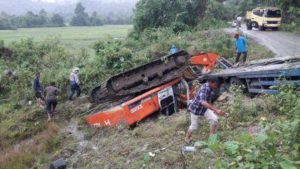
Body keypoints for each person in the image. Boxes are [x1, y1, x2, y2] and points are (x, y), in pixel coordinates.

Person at [184, 77, 225, 143]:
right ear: (210, 82)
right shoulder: (205, 88)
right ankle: (187, 137)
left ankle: (211, 139)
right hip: (196, 109)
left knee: (214, 119)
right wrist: (216, 110)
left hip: (204, 108)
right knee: (194, 126)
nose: (216, 87)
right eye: (215, 85)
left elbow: (208, 100)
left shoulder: (211, 87)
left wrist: (213, 109)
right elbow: (203, 102)